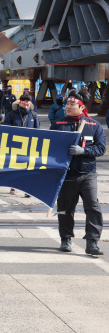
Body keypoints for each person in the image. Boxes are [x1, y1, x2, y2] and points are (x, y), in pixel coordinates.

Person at [50, 90, 105, 255]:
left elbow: (101, 148)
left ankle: (92, 242)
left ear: (81, 107)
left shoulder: (94, 125)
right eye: (67, 103)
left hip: (88, 174)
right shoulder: (58, 124)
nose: (67, 106)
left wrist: (83, 151)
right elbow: (50, 147)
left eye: (72, 104)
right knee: (65, 208)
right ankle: (65, 238)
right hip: (66, 174)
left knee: (93, 207)